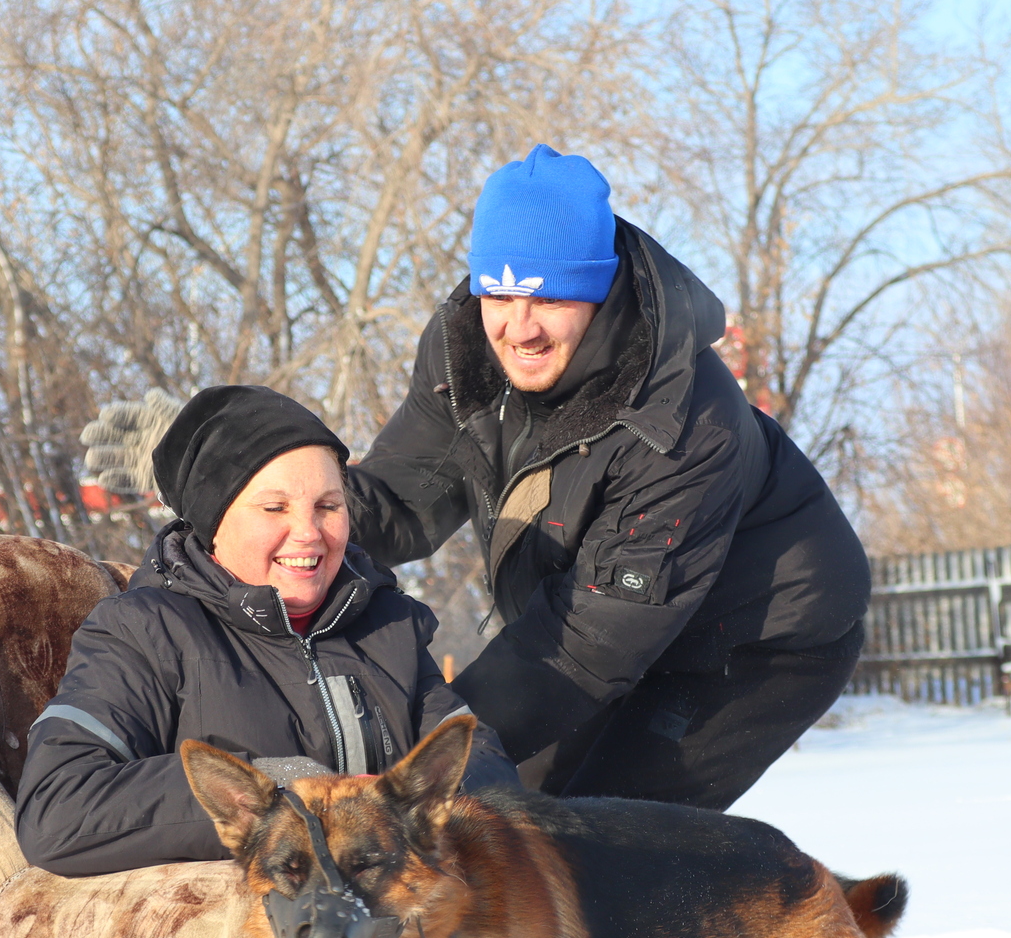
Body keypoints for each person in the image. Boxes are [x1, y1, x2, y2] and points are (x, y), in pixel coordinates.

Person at [343, 144, 870, 811]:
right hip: (593, 623)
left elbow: (589, 646)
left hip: (753, 645)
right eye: (498, 293)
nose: (519, 327)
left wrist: (427, 748)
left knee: (594, 842)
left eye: (550, 296)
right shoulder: (467, 354)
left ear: (598, 286)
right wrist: (263, 507)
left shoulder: (679, 421)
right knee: (495, 814)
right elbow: (397, 501)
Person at [16, 384, 518, 876]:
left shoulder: (388, 627)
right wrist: (287, 790)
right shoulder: (143, 630)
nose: (308, 533)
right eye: (274, 508)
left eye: (328, 506)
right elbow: (56, 810)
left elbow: (483, 773)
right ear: (214, 521)